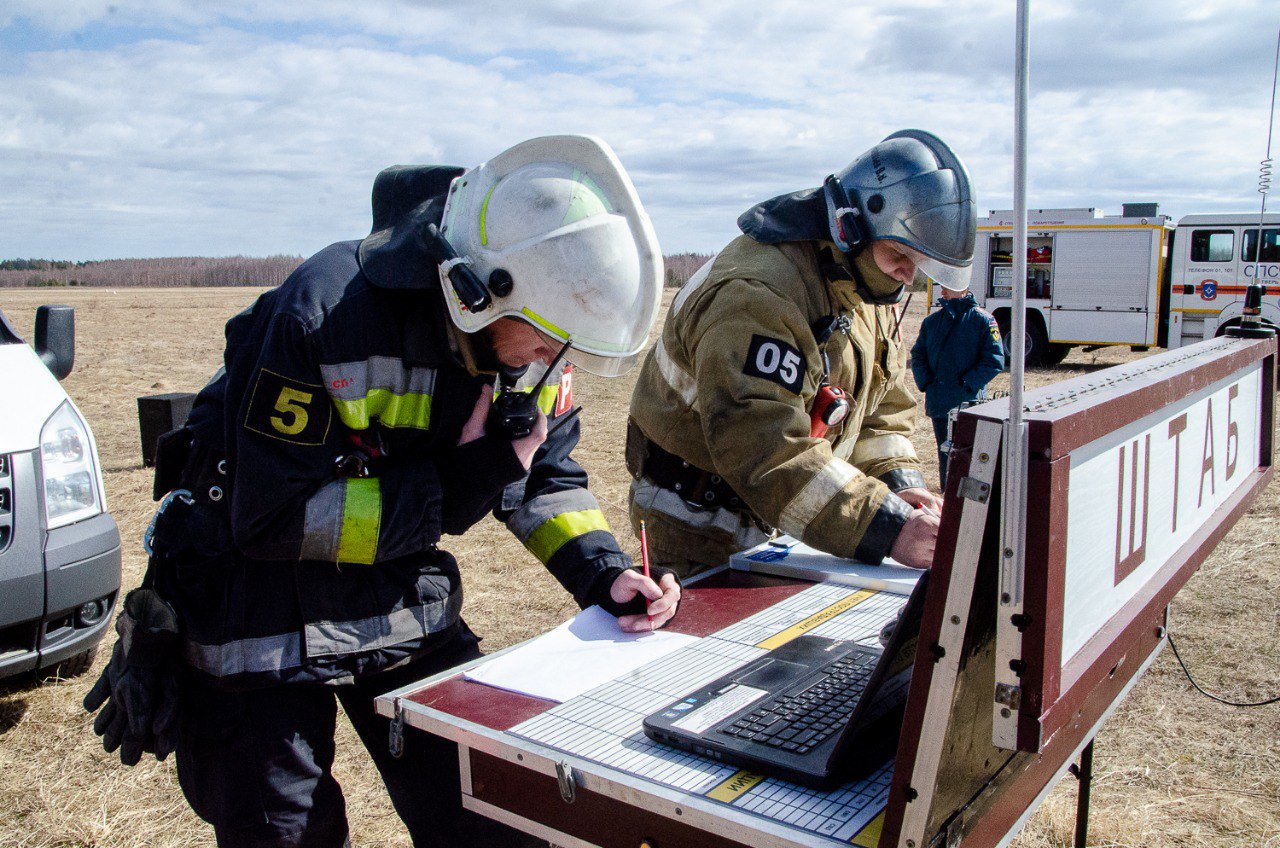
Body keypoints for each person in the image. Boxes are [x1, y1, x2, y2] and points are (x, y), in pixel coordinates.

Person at [83, 135, 681, 848]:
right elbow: (272, 519)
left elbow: (542, 476)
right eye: (546, 338)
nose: (552, 359)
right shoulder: (324, 316)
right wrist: (455, 485)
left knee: (491, 811)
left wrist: (604, 574)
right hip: (255, 619)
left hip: (395, 597)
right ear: (478, 293)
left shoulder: (534, 352)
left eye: (567, 345)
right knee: (286, 834)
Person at [626, 129, 976, 578]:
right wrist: (888, 527)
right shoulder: (757, 297)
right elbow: (767, 449)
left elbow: (882, 410)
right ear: (853, 229)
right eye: (899, 256)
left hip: (786, 516)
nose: (908, 277)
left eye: (918, 264)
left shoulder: (863, 289)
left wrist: (899, 485)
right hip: (699, 523)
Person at [909, 281, 1004, 489]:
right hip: (939, 403)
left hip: (969, 404)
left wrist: (967, 383)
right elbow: (918, 355)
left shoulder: (983, 320)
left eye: (948, 287)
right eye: (942, 287)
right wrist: (927, 382)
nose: (942, 291)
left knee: (970, 458)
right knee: (946, 456)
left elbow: (994, 361)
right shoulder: (932, 322)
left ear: (963, 288)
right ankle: (947, 495)